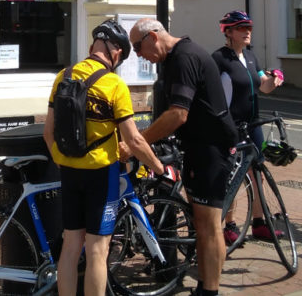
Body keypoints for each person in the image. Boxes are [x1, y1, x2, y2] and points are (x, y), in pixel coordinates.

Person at [43, 19, 164, 296]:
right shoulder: (114, 84)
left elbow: (48, 133)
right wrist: (158, 167)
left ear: (93, 46)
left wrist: (62, 161)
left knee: (71, 245)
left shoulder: (63, 76)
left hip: (69, 172)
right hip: (101, 175)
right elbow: (133, 140)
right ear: (117, 52)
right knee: (98, 249)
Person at [127, 18, 237, 296]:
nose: (138, 55)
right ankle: (204, 285)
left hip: (211, 148)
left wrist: (138, 142)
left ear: (153, 37)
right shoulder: (176, 57)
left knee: (209, 225)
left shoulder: (184, 57)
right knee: (201, 224)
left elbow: (178, 114)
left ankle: (209, 291)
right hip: (199, 146)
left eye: (137, 47)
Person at [211, 11, 284, 245]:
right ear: (229, 32)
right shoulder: (219, 58)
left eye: (249, 28)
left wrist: (275, 78)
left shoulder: (251, 57)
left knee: (257, 172)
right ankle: (229, 225)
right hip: (232, 127)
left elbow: (264, 86)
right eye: (242, 28)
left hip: (253, 125)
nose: (247, 32)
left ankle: (259, 223)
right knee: (233, 175)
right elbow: (211, 94)